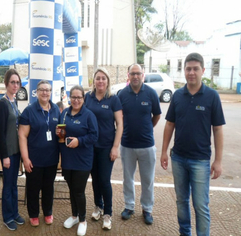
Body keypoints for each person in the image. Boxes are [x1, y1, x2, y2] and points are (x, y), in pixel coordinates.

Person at [160, 53, 225, 236]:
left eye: (195, 68)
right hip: (178, 158)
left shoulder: (212, 96)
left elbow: (218, 130)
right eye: (188, 68)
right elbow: (169, 124)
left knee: (200, 205)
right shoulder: (178, 95)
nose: (191, 72)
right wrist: (164, 151)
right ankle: (184, 233)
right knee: (181, 201)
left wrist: (218, 161)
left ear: (203, 71)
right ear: (184, 71)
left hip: (200, 161)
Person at [117, 64, 161, 225]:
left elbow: (156, 115)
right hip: (127, 144)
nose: (135, 76)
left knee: (147, 179)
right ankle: (129, 206)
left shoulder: (150, 93)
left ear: (143, 75)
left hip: (147, 145)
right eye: (132, 73)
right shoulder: (122, 94)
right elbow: (118, 117)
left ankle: (147, 209)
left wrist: (147, 127)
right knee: (128, 178)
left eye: (138, 73)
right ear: (128, 75)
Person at [84, 68, 123, 230]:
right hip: (90, 146)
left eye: (103, 78)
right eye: (98, 78)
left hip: (107, 146)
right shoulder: (88, 97)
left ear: (108, 81)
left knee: (104, 180)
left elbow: (120, 124)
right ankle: (98, 206)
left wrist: (115, 147)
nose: (100, 81)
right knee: (95, 179)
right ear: (94, 81)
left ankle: (108, 213)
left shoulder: (113, 99)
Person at [18, 80, 60, 227]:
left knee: (49, 187)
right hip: (34, 159)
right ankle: (34, 214)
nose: (45, 93)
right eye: (42, 90)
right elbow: (22, 135)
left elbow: (59, 133)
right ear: (36, 92)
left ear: (50, 92)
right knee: (33, 188)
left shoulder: (55, 109)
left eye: (48, 90)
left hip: (51, 159)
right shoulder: (29, 111)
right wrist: (25, 158)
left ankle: (48, 212)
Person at [58, 85, 98, 236]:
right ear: (69, 98)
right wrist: (60, 136)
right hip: (67, 159)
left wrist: (79, 141)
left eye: (79, 97)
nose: (76, 100)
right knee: (71, 189)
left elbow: (94, 136)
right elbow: (61, 132)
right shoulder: (65, 114)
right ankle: (74, 216)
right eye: (73, 97)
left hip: (82, 160)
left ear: (83, 98)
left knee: (79, 191)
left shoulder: (89, 115)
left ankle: (82, 220)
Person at [0, 69, 25, 231]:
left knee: (14, 184)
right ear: (6, 83)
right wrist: (4, 155)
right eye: (12, 82)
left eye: (17, 82)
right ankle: (7, 216)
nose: (15, 85)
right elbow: (0, 132)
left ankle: (14, 213)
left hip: (16, 151)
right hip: (8, 153)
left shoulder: (14, 101)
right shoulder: (3, 103)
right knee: (8, 185)